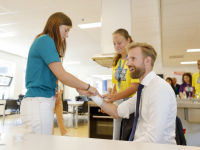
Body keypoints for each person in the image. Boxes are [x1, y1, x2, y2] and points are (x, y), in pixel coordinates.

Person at [20, 12, 99, 135]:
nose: (67, 35)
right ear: (56, 26)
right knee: (41, 145)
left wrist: (79, 86)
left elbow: (59, 75)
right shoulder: (45, 40)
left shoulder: (43, 41)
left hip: (39, 102)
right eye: (66, 30)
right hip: (38, 102)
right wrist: (88, 87)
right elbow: (62, 75)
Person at [85, 42, 177, 144]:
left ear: (147, 61)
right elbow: (117, 112)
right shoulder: (144, 89)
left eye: (133, 58)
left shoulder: (159, 88)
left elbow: (153, 139)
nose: (128, 63)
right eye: (128, 59)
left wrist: (127, 147)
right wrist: (92, 94)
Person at [102, 29, 139, 141]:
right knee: (116, 135)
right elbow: (115, 85)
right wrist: (110, 101)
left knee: (128, 135)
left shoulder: (134, 59)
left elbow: (135, 86)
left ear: (128, 40)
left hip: (132, 102)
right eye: (114, 43)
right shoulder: (116, 61)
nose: (116, 46)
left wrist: (114, 97)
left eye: (119, 43)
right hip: (119, 101)